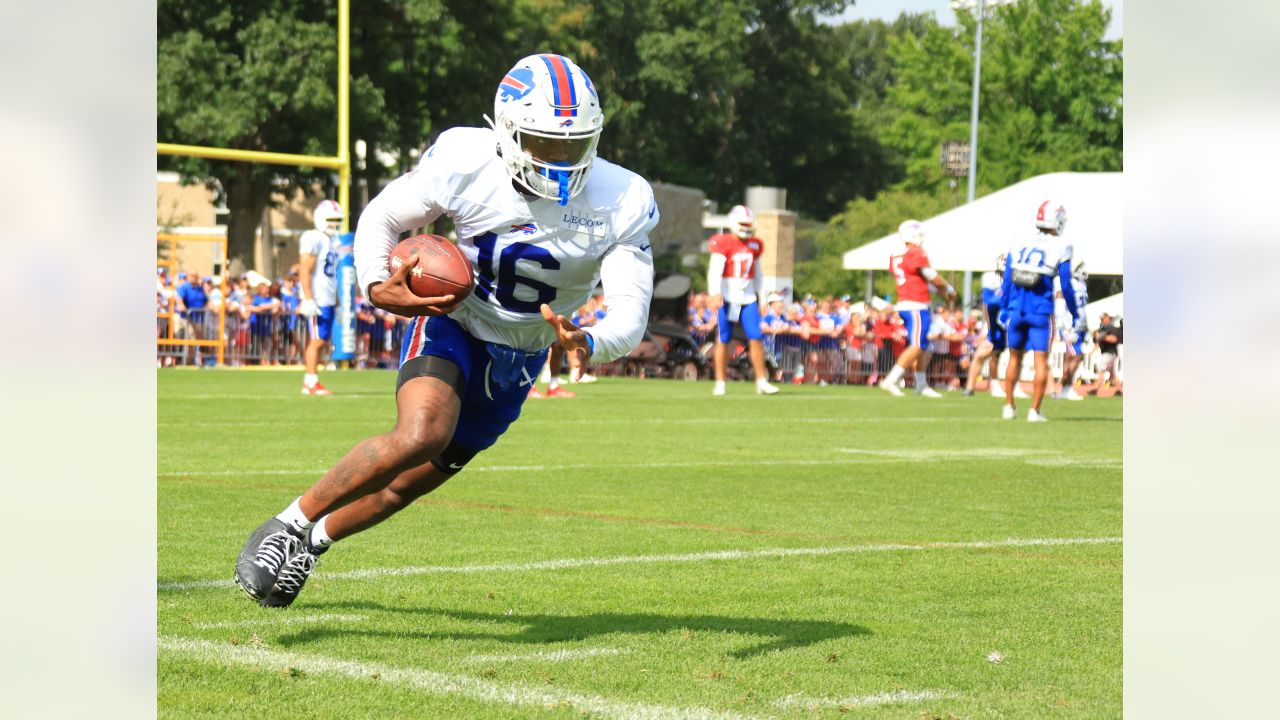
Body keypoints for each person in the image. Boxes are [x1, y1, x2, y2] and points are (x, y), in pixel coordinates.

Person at [234, 53, 658, 608]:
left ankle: (312, 544)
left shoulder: (622, 197)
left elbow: (630, 313)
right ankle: (288, 525)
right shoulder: (465, 157)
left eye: (571, 146)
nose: (557, 161)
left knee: (401, 488)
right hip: (457, 319)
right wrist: (373, 280)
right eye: (542, 144)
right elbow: (384, 216)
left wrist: (592, 341)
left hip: (522, 355)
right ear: (506, 132)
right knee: (421, 433)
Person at [999, 199, 1080, 422]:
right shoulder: (1061, 245)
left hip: (1017, 309)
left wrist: (1005, 306)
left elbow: (1006, 279)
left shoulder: (1019, 241)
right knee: (1040, 361)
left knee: (1014, 358)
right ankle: (1034, 411)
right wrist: (1074, 311)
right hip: (1040, 311)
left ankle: (1009, 406)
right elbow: (1065, 283)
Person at [707, 205, 779, 396]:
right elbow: (715, 270)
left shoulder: (754, 245)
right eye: (743, 223)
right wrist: (714, 293)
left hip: (747, 298)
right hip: (727, 298)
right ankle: (720, 382)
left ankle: (761, 381)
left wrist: (763, 298)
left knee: (756, 337)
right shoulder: (722, 242)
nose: (747, 227)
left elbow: (759, 274)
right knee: (723, 339)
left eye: (749, 224)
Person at [879, 220, 954, 397]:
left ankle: (921, 383)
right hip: (915, 305)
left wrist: (939, 289)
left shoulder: (897, 255)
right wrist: (948, 289)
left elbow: (919, 279)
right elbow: (931, 275)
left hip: (908, 303)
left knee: (923, 345)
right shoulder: (915, 252)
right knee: (918, 344)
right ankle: (890, 380)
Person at [297, 199, 345, 395]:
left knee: (322, 340)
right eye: (330, 219)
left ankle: (312, 380)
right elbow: (305, 269)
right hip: (317, 298)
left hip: (327, 299)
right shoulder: (314, 237)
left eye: (337, 219)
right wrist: (307, 298)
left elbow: (332, 277)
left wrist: (338, 303)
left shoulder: (332, 241)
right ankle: (310, 382)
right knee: (316, 340)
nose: (334, 223)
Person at [965, 254, 1009, 397]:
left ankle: (1012, 387)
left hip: (1013, 323)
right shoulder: (991, 279)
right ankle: (970, 387)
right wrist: (989, 329)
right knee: (982, 354)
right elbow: (987, 305)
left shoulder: (1017, 281)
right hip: (996, 322)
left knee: (1015, 354)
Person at [1054, 260, 1089, 400]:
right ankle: (1064, 388)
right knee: (1075, 356)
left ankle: (1064, 389)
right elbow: (1059, 305)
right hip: (1071, 326)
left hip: (1080, 325)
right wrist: (1064, 327)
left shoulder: (1081, 283)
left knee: (1073, 356)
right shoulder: (1065, 283)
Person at [1090, 312, 1123, 395]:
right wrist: (1092, 350)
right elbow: (1098, 341)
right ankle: (1119, 390)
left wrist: (1103, 336)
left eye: (1103, 318)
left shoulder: (1112, 329)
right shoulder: (1104, 329)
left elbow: (1114, 339)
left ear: (1107, 318)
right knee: (1112, 373)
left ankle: (1095, 388)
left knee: (1100, 369)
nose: (1101, 320)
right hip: (1107, 352)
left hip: (1110, 353)